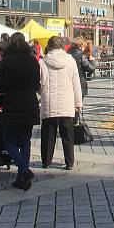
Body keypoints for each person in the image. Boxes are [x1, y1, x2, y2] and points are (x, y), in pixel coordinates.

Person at [0, 32, 40, 191]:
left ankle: (24, 170)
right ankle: (22, 176)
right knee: (25, 141)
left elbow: (1, 85)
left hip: (13, 104)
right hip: (29, 104)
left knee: (10, 141)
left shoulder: (7, 61)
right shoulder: (33, 61)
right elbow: (36, 84)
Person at [39, 36, 83, 171]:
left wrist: (42, 94)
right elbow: (76, 83)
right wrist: (78, 102)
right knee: (67, 134)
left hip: (49, 101)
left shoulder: (43, 62)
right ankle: (69, 162)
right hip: (67, 101)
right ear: (62, 46)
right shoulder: (70, 61)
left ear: (49, 46)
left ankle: (46, 161)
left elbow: (40, 82)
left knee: (48, 133)